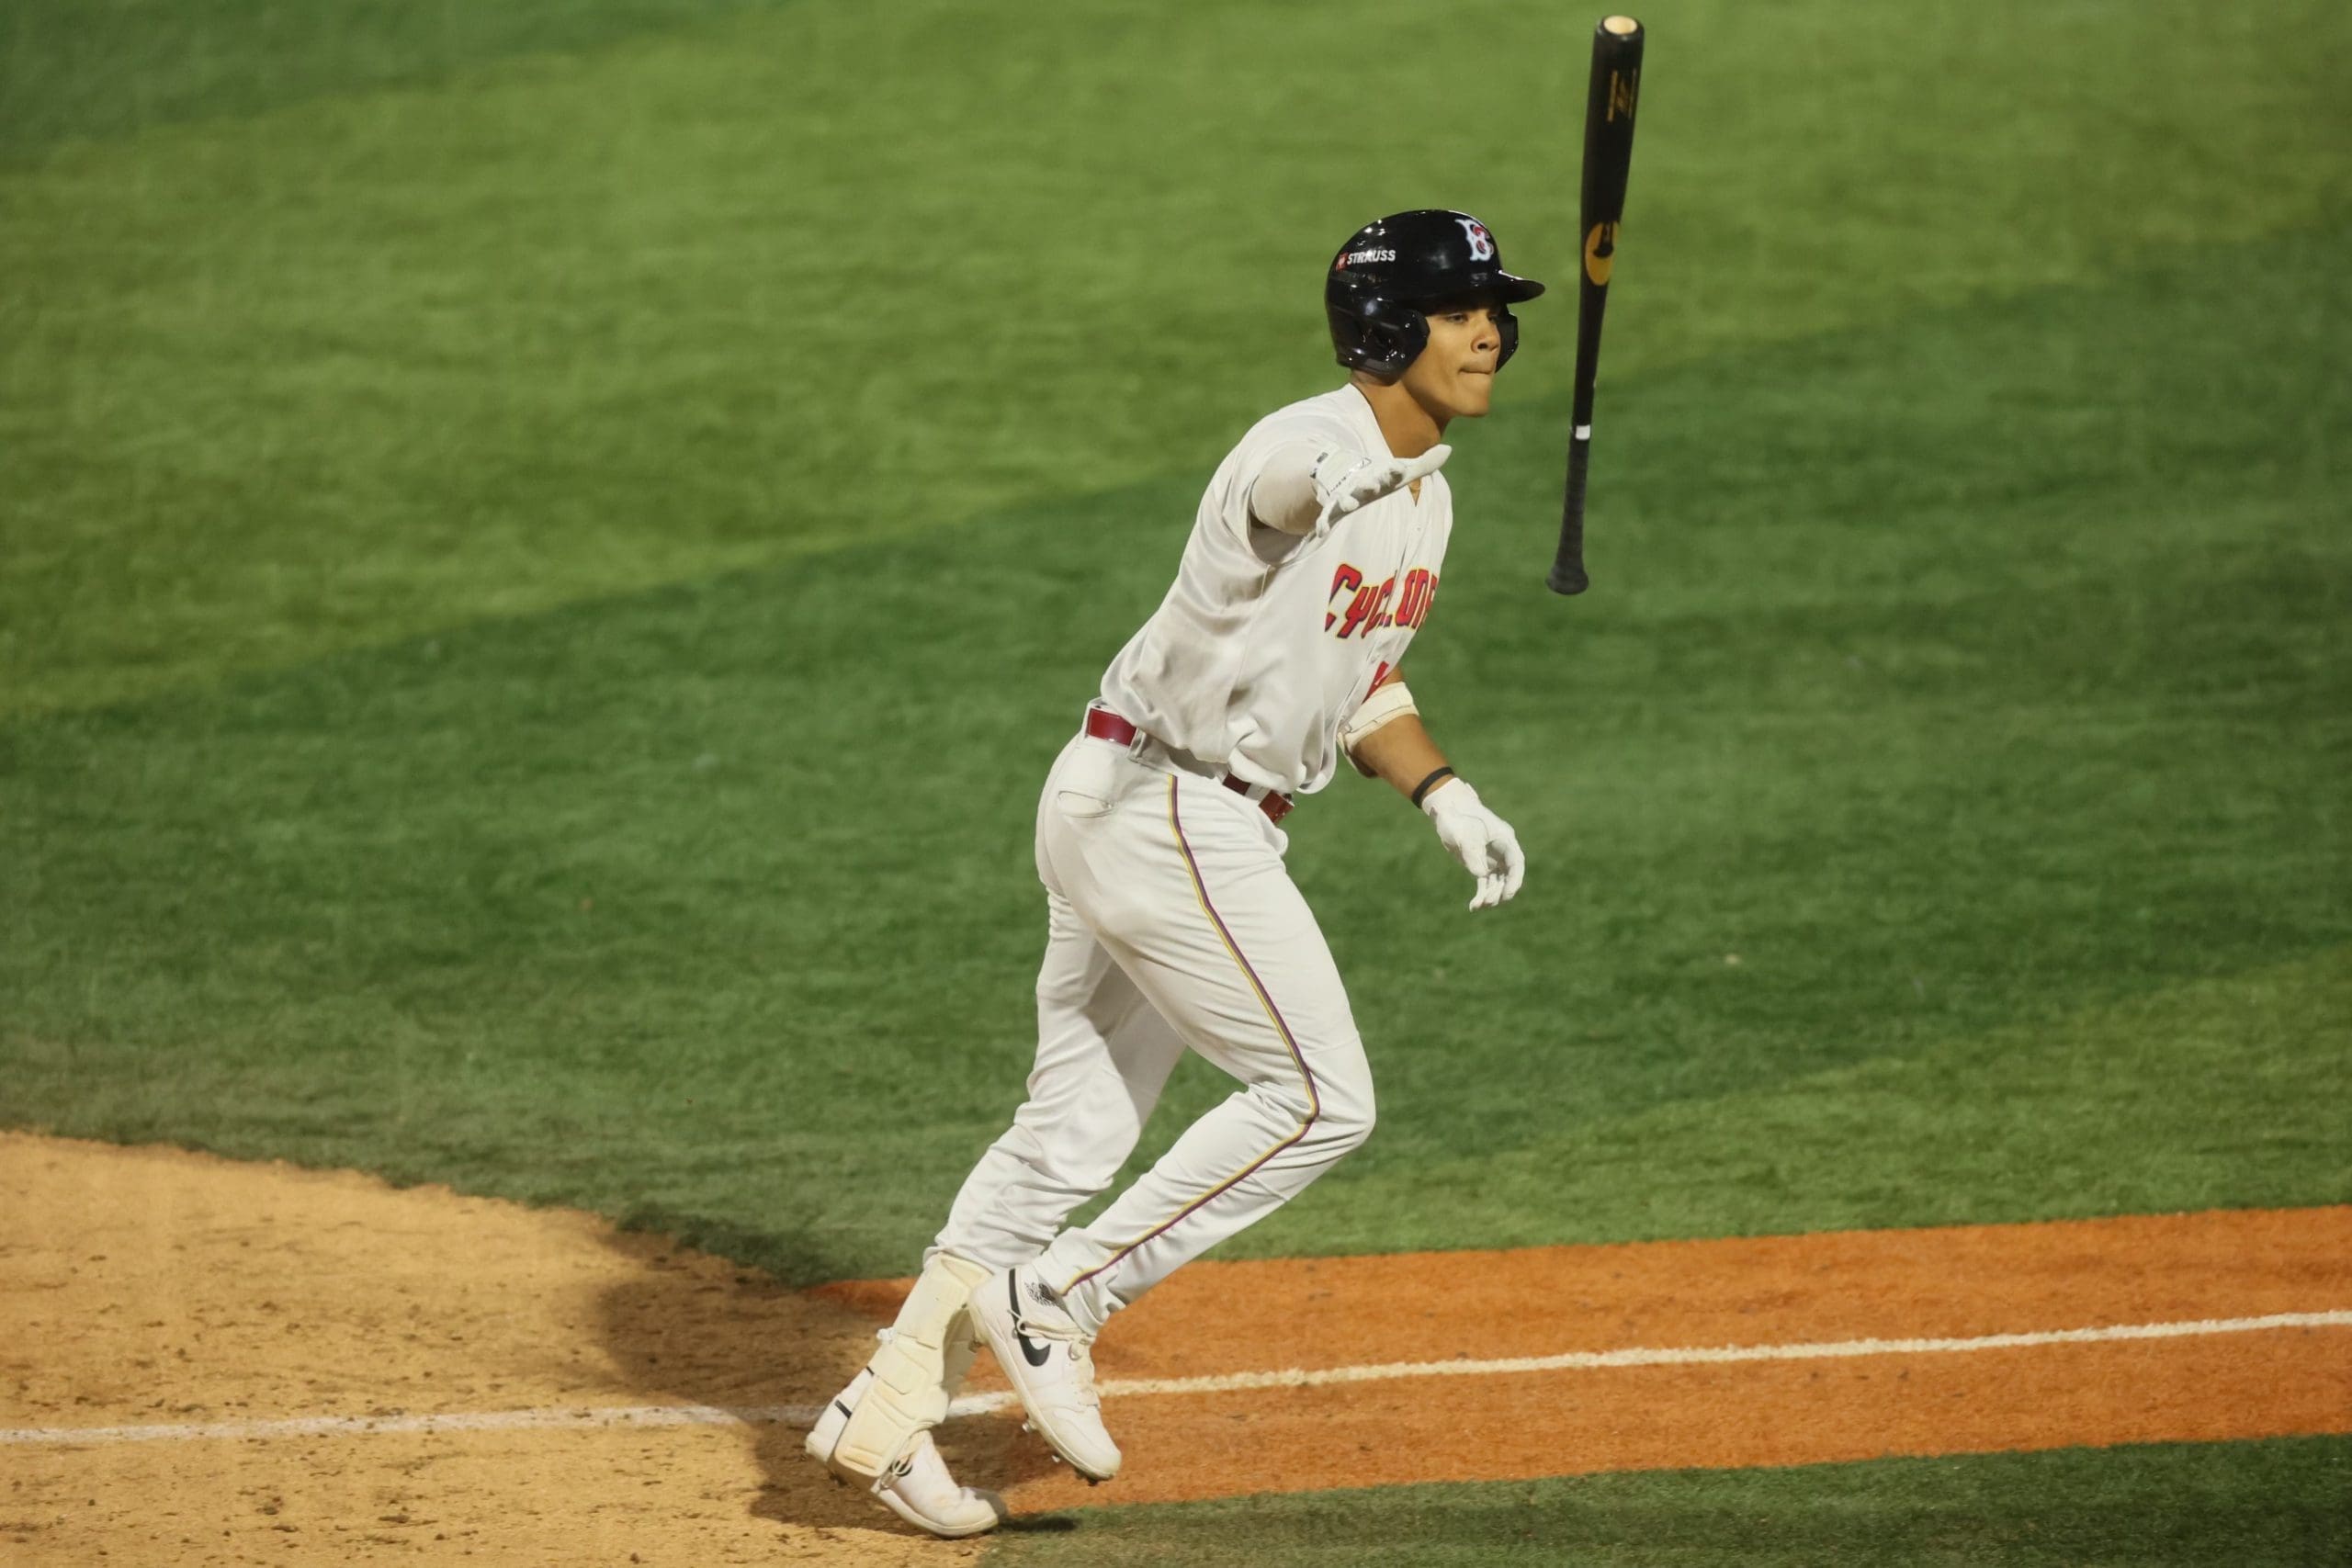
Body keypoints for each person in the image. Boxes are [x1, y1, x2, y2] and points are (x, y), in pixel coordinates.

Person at [805, 209, 1537, 1536]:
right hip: (1165, 808)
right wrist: (1338, 484)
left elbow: (1360, 679)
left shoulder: (1427, 492)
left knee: (1071, 1129)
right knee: (1321, 1099)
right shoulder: (1305, 446)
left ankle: (888, 1404)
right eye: (1459, 308)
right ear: (1387, 328)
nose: (1491, 329)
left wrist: (1444, 791)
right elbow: (1281, 496)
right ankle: (1056, 1299)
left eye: (1496, 306)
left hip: (1133, 800)